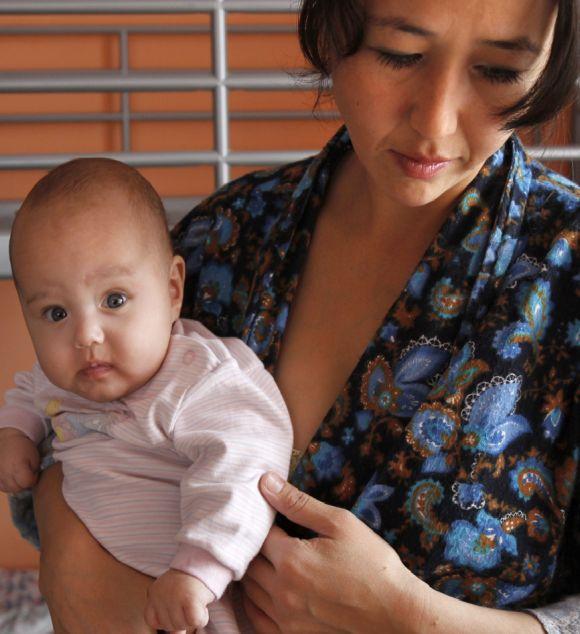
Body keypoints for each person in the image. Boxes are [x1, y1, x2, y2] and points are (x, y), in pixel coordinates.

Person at [7, 0, 579, 632]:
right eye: (400, 54)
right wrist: (69, 549)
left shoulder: (567, 276)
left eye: (499, 70)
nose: (436, 119)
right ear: (335, 31)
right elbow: (80, 438)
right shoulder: (225, 239)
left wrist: (412, 621)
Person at [0, 158, 293, 633]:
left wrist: (198, 571)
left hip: (189, 604)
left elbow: (245, 469)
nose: (86, 335)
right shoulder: (62, 377)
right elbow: (29, 390)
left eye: (113, 300)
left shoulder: (198, 378)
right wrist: (15, 433)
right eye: (55, 313)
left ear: (172, 290)